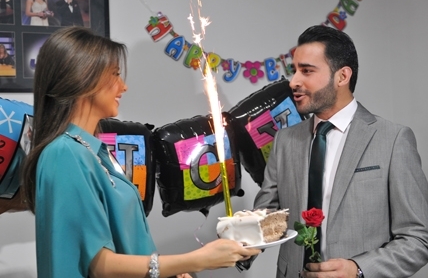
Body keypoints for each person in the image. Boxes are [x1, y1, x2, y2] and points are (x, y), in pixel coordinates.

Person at [21, 27, 260, 278]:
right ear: (84, 78)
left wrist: (169, 273)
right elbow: (101, 266)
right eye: (115, 74)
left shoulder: (92, 151)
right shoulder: (65, 154)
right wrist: (197, 260)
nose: (123, 87)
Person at [253, 25, 428, 278]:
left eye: (307, 71)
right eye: (294, 71)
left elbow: (418, 241)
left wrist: (358, 269)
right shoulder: (285, 140)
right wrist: (240, 237)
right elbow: (268, 218)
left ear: (342, 76)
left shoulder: (393, 140)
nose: (293, 82)